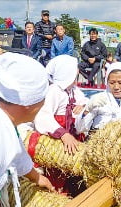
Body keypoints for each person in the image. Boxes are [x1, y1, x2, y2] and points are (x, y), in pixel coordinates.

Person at [34, 55, 88, 194]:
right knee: (56, 173)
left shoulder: (74, 90)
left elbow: (85, 102)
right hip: (57, 143)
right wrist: (63, 134)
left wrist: (83, 107)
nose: (77, 71)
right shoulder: (54, 91)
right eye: (75, 68)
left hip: (73, 139)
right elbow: (43, 116)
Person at [75, 62, 121, 134]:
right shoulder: (98, 99)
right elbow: (79, 129)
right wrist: (87, 110)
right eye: (112, 83)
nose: (116, 87)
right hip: (100, 141)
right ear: (106, 82)